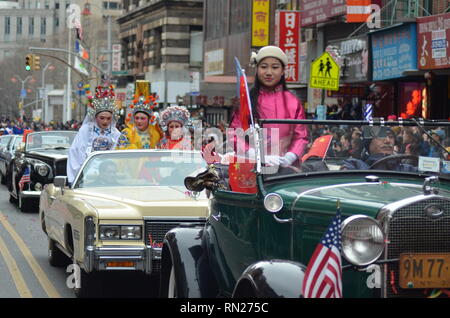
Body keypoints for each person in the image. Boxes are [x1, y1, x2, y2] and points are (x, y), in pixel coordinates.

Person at [229, 45, 308, 168]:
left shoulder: (293, 102)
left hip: (286, 170)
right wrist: (253, 154)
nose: (269, 72)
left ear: (282, 71)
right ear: (257, 70)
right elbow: (234, 134)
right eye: (264, 67)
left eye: (275, 67)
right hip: (252, 169)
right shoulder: (246, 101)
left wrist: (290, 156)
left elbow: (301, 136)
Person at [67, 85, 121, 184]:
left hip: (110, 175)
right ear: (95, 117)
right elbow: (76, 151)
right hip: (87, 175)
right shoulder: (86, 130)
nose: (105, 121)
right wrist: (82, 174)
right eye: (102, 118)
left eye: (108, 118)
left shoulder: (115, 134)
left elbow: (118, 155)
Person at [342, 127, 416, 171]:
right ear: (369, 143)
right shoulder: (356, 165)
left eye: (390, 137)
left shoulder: (405, 169)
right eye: (381, 137)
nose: (387, 141)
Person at [116, 81, 163, 150]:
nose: (139, 121)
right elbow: (121, 152)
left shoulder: (155, 134)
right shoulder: (126, 133)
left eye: (142, 118)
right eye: (137, 118)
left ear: (149, 119)